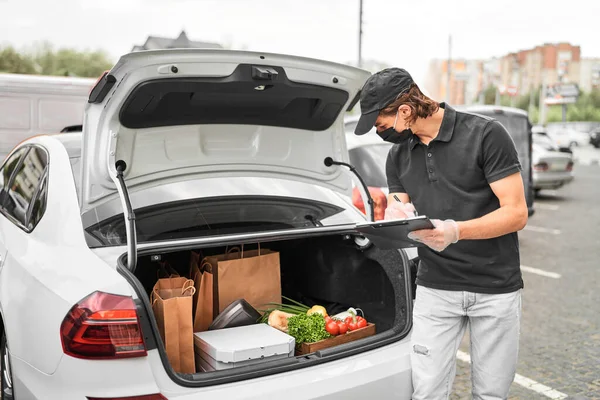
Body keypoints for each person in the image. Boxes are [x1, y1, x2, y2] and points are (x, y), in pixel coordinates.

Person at [354, 68, 528, 400]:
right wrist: (393, 218)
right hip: (435, 289)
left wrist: (455, 231)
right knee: (427, 391)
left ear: (404, 111)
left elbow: (516, 213)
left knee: (491, 394)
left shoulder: (486, 135)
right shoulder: (398, 155)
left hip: (495, 288)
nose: (380, 133)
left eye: (380, 124)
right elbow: (398, 208)